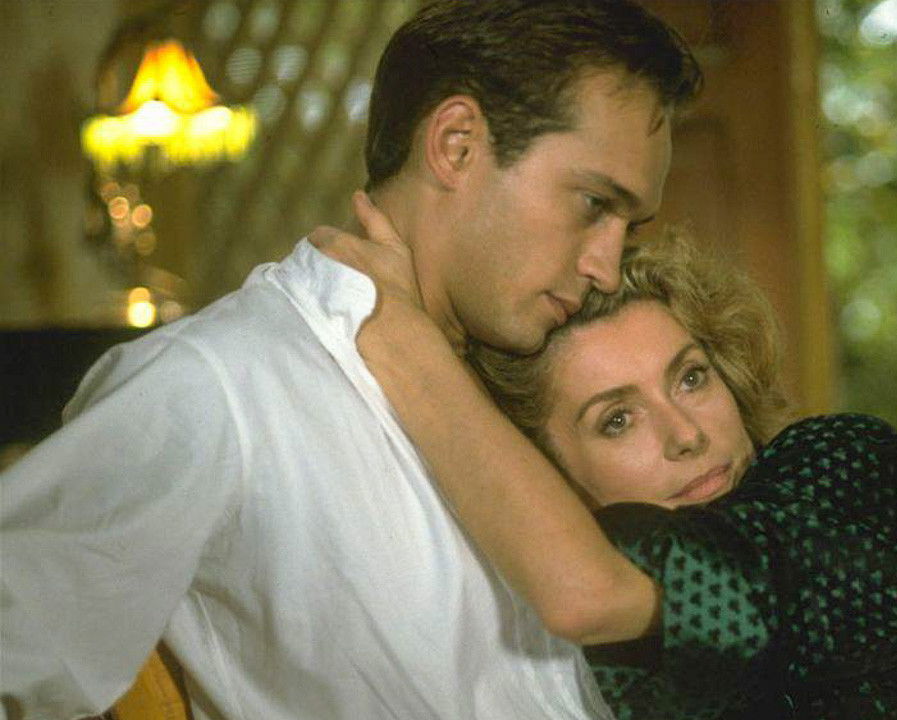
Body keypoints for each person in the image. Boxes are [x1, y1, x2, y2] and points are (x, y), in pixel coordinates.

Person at [1, 2, 699, 718]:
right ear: (457, 145)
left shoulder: (539, 378)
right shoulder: (222, 382)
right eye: (593, 203)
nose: (607, 265)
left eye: (629, 226)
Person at [315, 203, 897, 719]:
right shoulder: (603, 649)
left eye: (690, 377)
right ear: (544, 470)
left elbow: (594, 592)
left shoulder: (838, 463)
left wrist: (397, 335)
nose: (686, 433)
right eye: (617, 420)